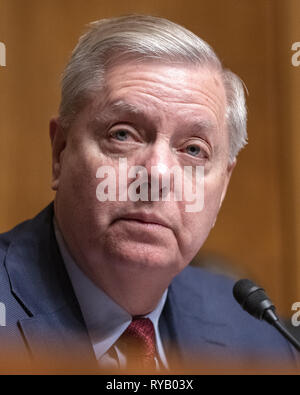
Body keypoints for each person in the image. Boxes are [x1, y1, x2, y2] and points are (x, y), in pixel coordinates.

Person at [0, 15, 297, 372]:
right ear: (60, 153)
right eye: (122, 134)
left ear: (222, 189)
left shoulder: (262, 342)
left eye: (193, 150)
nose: (157, 174)